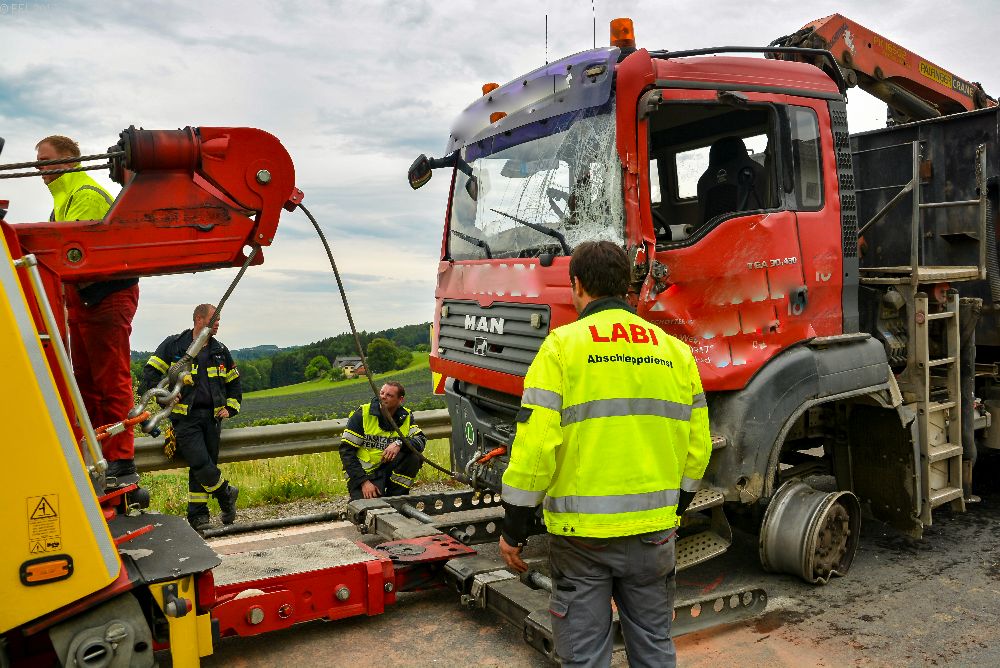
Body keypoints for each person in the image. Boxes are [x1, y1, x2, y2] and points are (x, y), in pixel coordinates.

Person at [498, 240, 712, 667]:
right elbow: (698, 448)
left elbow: (536, 451)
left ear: (577, 284)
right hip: (654, 534)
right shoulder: (675, 352)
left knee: (585, 657)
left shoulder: (561, 348)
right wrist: (675, 509)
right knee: (654, 648)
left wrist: (514, 529)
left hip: (582, 540)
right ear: (627, 285)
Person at [36, 135, 140, 483]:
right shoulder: (64, 200)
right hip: (83, 299)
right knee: (85, 381)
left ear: (67, 161)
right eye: (37, 161)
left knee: (110, 379)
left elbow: (74, 256)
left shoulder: (85, 195)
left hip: (105, 296)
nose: (39, 168)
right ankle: (99, 451)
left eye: (45, 160)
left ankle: (121, 457)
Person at [140, 304, 241, 530]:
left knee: (201, 470)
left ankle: (199, 516)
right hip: (185, 418)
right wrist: (164, 397)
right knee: (199, 462)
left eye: (219, 319)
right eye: (214, 319)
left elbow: (234, 383)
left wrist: (231, 408)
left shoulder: (220, 350)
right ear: (199, 319)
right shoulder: (174, 345)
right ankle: (226, 494)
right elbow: (150, 374)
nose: (218, 323)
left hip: (213, 419)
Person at [340, 382, 426, 499]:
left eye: (389, 395)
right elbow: (346, 452)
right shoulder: (362, 414)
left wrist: (399, 443)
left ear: (400, 399)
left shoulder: (405, 416)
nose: (383, 397)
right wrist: (364, 482)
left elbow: (421, 440)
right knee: (368, 508)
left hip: (387, 468)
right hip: (363, 474)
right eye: (381, 393)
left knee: (414, 456)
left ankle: (397, 497)